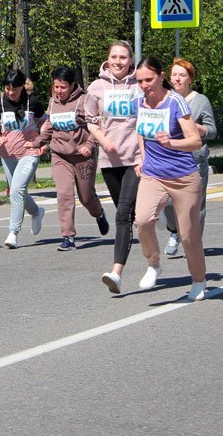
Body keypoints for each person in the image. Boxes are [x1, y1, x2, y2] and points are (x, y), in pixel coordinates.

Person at [130, 56, 207, 302]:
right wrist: (142, 157)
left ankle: (198, 280)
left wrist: (170, 142)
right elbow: (141, 132)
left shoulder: (176, 102)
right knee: (142, 221)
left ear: (162, 76)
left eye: (149, 79)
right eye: (140, 81)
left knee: (188, 236)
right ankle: (154, 264)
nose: (144, 85)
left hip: (184, 177)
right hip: (153, 175)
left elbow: (195, 140)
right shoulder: (138, 103)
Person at [28, 66, 108, 251]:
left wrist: (89, 145)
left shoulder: (84, 100)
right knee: (64, 194)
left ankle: (98, 213)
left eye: (63, 87)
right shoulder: (53, 101)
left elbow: (97, 124)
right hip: (60, 155)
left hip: (82, 156)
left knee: (86, 197)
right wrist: (37, 142)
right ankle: (68, 237)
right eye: (56, 87)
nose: (59, 91)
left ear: (72, 85)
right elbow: (49, 125)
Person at [85, 41, 141, 293]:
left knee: (122, 216)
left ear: (131, 60)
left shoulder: (140, 86)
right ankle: (154, 260)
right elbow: (91, 121)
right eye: (114, 56)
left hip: (136, 159)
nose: (118, 61)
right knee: (127, 215)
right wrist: (104, 141)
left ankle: (116, 273)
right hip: (109, 161)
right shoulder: (97, 87)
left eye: (123, 57)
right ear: (107, 59)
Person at [163, 58, 216, 256]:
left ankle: (194, 244)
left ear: (190, 79)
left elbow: (212, 131)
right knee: (167, 203)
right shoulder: (164, 100)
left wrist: (201, 129)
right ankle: (174, 230)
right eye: (174, 74)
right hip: (169, 160)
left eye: (182, 75)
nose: (177, 79)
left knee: (196, 206)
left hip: (194, 161)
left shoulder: (200, 101)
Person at [0, 68, 46, 248]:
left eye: (14, 89)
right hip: (8, 154)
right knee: (18, 190)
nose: (10, 93)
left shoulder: (32, 102)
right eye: (7, 89)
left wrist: (40, 141)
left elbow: (46, 122)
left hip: (29, 153)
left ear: (22, 87)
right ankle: (36, 212)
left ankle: (13, 233)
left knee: (15, 191)